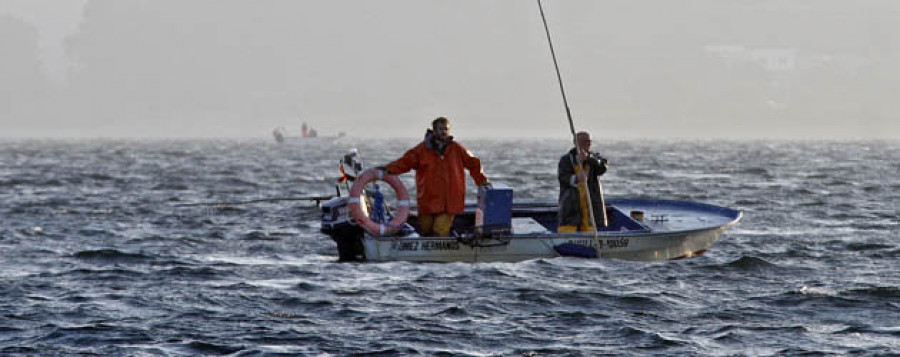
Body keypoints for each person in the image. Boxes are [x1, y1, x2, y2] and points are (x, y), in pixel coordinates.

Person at [381, 117, 490, 237]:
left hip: (449, 202)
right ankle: (428, 254)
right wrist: (388, 169)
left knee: (439, 231)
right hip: (427, 200)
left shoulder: (457, 149)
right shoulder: (421, 150)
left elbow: (473, 163)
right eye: (441, 129)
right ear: (433, 131)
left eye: (446, 129)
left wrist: (482, 181)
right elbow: (405, 162)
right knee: (426, 230)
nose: (444, 132)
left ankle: (439, 253)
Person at [557, 131, 609, 233]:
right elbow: (563, 178)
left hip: (590, 206)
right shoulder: (566, 159)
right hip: (571, 206)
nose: (589, 144)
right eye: (585, 142)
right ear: (577, 143)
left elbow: (603, 167)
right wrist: (576, 178)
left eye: (590, 142)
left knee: (590, 228)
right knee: (568, 229)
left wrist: (589, 158)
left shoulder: (594, 158)